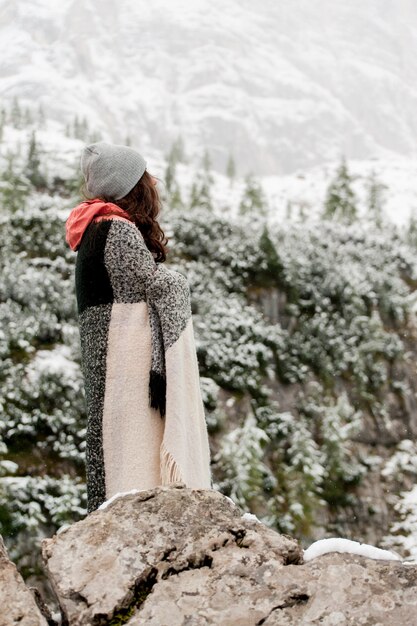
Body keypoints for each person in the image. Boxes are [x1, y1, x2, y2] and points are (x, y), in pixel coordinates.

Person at [65, 141, 212, 513]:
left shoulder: (91, 229)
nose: (154, 185)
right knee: (133, 455)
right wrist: (178, 281)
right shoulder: (115, 228)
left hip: (109, 367)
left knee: (114, 450)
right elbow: (157, 286)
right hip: (125, 370)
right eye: (147, 178)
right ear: (134, 186)